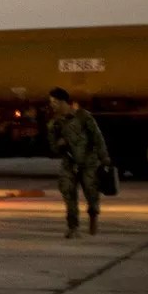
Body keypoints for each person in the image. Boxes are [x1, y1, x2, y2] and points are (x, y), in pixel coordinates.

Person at [48, 87, 110, 238]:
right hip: (69, 163)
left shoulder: (83, 116)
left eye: (54, 102)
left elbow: (97, 137)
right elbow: (53, 148)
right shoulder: (54, 123)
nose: (52, 105)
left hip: (88, 162)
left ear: (63, 102)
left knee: (91, 192)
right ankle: (73, 227)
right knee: (68, 192)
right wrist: (59, 144)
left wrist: (104, 158)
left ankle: (93, 214)